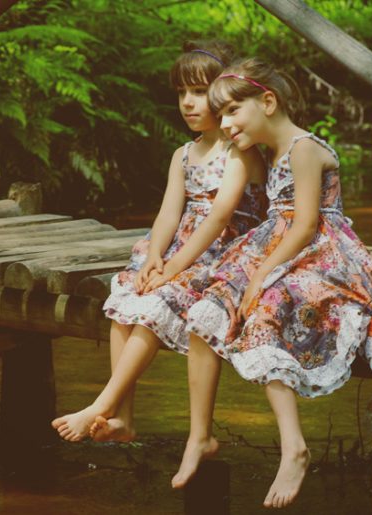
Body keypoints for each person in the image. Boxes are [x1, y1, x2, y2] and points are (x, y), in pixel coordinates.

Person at [175, 57, 372, 508]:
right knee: (205, 312)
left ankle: (294, 448)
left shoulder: (304, 148)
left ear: (267, 101)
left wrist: (263, 274)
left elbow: (306, 225)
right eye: (220, 114)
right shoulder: (268, 153)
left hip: (319, 252)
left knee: (264, 311)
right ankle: (199, 435)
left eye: (232, 111)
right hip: (274, 243)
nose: (224, 123)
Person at [51, 41, 266, 443]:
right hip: (180, 249)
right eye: (182, 93)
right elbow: (169, 213)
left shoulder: (241, 150)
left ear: (223, 94)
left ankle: (100, 405)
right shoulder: (183, 154)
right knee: (126, 302)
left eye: (199, 92)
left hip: (224, 251)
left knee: (156, 302)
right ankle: (123, 419)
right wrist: (153, 257)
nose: (188, 102)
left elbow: (220, 217)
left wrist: (172, 269)